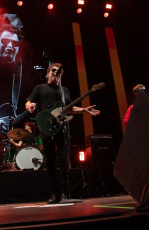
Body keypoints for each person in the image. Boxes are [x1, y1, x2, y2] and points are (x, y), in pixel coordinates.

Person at [25, 63, 100, 204]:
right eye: (53, 70)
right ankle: (54, 194)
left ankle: (65, 193)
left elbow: (69, 109)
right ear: (47, 73)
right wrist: (30, 105)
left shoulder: (64, 90)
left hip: (63, 127)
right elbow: (28, 102)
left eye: (58, 72)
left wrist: (85, 110)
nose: (55, 73)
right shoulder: (40, 88)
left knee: (64, 161)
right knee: (50, 162)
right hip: (46, 127)